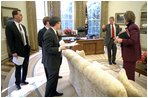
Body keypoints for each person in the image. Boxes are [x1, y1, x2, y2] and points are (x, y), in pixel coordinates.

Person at [42, 16, 68, 97]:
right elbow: (48, 49)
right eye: (59, 23)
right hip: (51, 62)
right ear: (56, 23)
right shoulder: (49, 33)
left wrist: (62, 45)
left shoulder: (54, 31)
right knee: (51, 81)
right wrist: (60, 48)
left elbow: (55, 43)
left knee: (54, 79)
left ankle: (53, 92)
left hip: (55, 60)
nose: (60, 25)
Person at [5, 8, 30, 90]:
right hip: (17, 51)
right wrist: (13, 52)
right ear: (15, 16)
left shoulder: (23, 26)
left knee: (25, 66)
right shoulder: (9, 26)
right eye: (20, 15)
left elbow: (25, 38)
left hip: (26, 49)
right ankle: (17, 83)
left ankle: (23, 80)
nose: (22, 16)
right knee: (18, 68)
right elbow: (9, 40)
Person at [115, 11, 141, 81]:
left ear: (127, 18)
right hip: (128, 55)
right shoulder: (130, 26)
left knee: (129, 76)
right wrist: (119, 39)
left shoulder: (133, 27)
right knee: (126, 74)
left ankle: (130, 91)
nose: (123, 19)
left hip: (130, 56)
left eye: (124, 18)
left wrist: (122, 40)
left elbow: (133, 41)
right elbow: (128, 39)